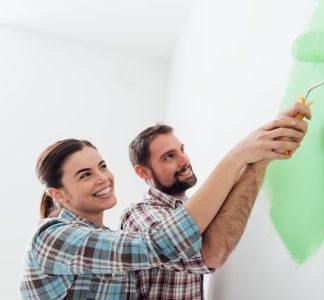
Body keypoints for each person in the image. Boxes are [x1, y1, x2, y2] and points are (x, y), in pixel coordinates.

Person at [20, 106, 306, 299]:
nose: (103, 178)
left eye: (102, 165)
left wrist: (259, 156)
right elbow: (161, 245)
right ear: (58, 194)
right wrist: (239, 156)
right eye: (85, 175)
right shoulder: (51, 238)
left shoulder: (108, 239)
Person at [120, 101, 311, 299]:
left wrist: (270, 144)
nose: (184, 160)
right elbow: (211, 253)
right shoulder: (138, 217)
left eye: (182, 150)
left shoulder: (191, 208)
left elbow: (227, 207)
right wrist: (249, 156)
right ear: (143, 172)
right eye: (169, 156)